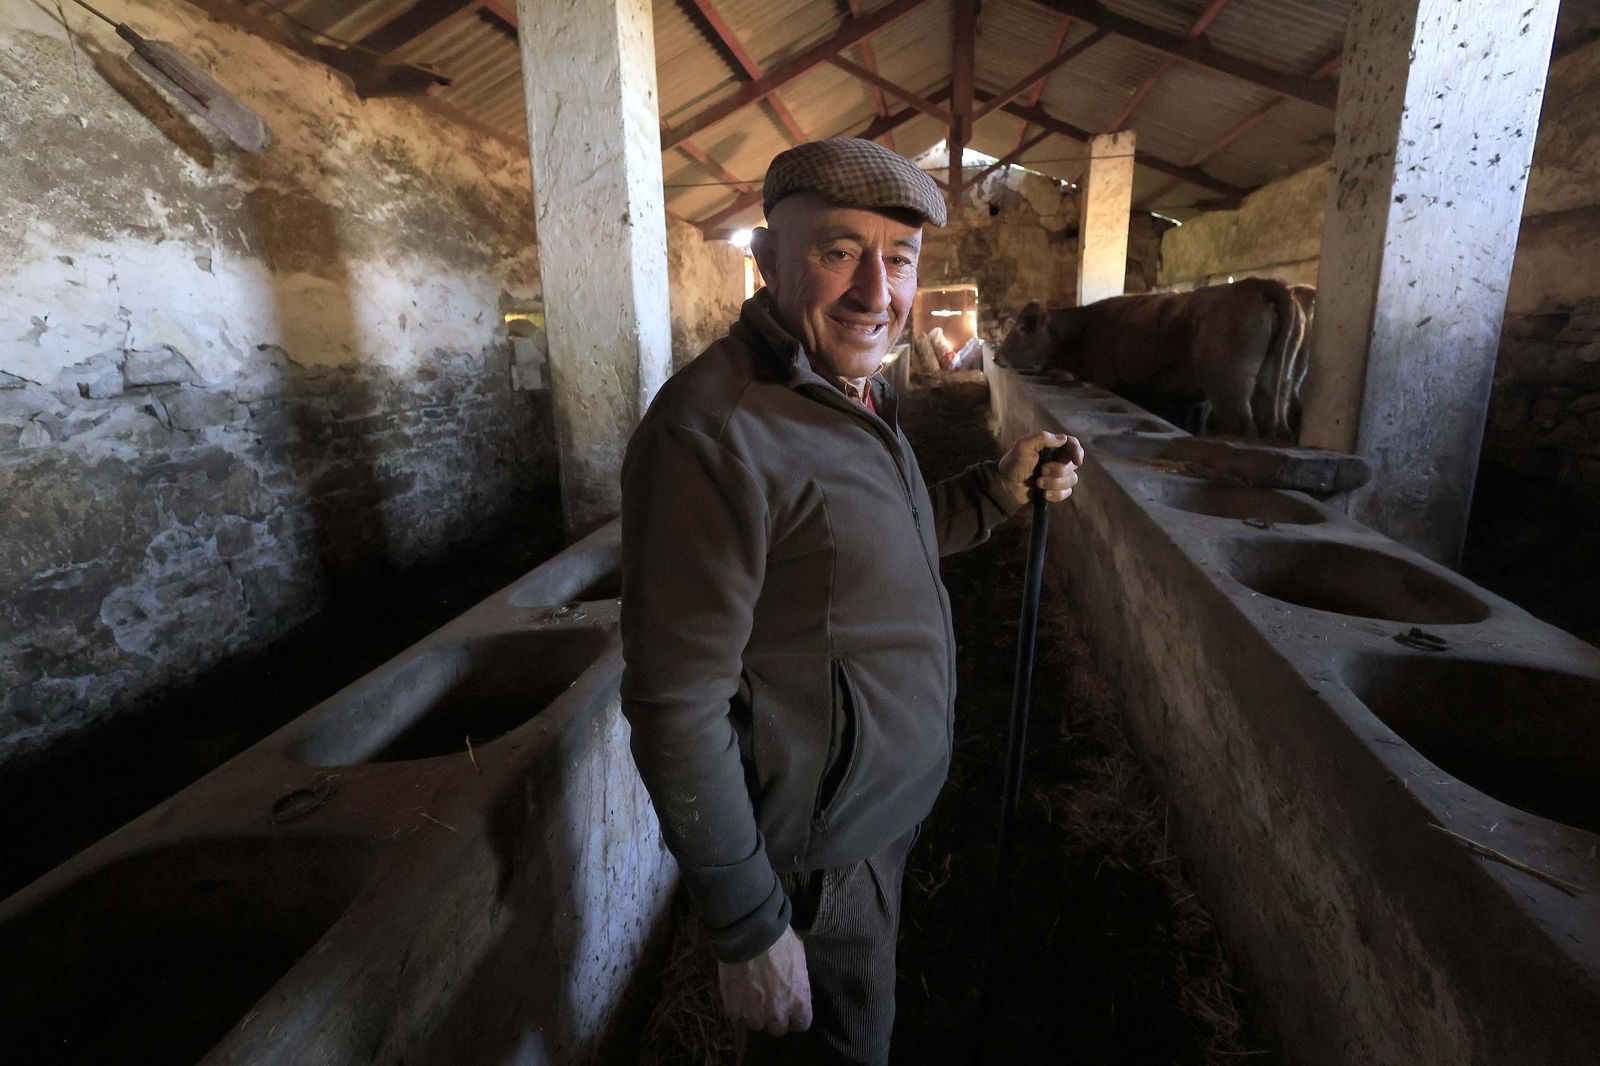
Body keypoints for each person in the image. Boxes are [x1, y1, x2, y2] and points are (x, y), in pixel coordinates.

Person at [620, 138, 1082, 1064]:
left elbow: (869, 551)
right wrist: (749, 926)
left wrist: (996, 492)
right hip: (815, 866)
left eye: (899, 260)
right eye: (837, 253)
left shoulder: (848, 390)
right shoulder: (713, 434)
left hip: (875, 813)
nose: (877, 292)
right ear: (767, 263)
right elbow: (676, 702)